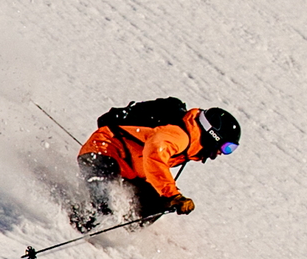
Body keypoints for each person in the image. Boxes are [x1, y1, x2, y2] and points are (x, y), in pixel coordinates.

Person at [76, 97, 241, 226]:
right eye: (227, 147)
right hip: (103, 152)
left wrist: (167, 199)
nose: (222, 152)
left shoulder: (190, 144)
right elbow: (154, 157)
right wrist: (173, 194)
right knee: (104, 207)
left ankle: (118, 233)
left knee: (156, 204)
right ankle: (71, 224)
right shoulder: (179, 136)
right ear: (214, 134)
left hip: (127, 169)